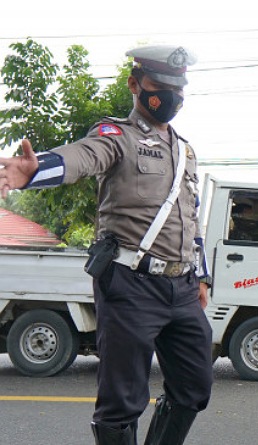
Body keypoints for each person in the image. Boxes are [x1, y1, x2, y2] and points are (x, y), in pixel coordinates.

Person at [0, 45, 213, 445]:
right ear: (135, 85)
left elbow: (190, 215)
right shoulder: (117, 136)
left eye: (178, 88)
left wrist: (200, 275)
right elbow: (83, 157)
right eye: (159, 86)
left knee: (194, 388)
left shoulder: (185, 150)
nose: (171, 96)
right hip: (131, 284)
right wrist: (36, 170)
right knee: (122, 403)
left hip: (182, 288)